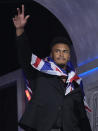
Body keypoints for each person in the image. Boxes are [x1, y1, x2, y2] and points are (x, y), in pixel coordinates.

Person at [13, 4, 92, 131]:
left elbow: (82, 117)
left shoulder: (76, 83)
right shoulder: (40, 74)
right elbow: (25, 58)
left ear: (69, 55)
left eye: (65, 51)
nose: (61, 54)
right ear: (51, 55)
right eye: (57, 51)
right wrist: (20, 30)